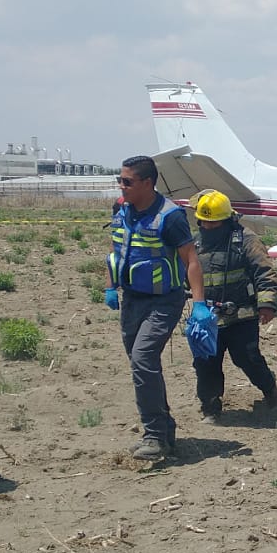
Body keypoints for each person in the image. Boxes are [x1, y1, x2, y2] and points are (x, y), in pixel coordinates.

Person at [106, 156, 206, 460]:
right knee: (142, 367)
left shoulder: (170, 217)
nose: (121, 186)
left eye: (127, 182)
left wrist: (199, 304)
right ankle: (163, 432)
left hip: (164, 301)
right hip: (132, 299)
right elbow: (117, 251)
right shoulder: (122, 210)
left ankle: (153, 435)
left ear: (147, 183)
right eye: (120, 180)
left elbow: (190, 260)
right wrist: (111, 286)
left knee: (143, 359)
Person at [189, 190, 277, 421]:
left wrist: (267, 303)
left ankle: (269, 388)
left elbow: (264, 271)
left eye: (215, 223)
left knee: (247, 358)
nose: (209, 228)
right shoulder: (194, 244)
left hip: (242, 315)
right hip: (207, 318)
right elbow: (185, 274)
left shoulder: (246, 240)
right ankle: (210, 407)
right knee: (206, 363)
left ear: (227, 219)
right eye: (205, 223)